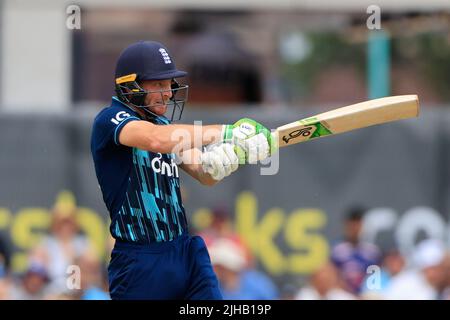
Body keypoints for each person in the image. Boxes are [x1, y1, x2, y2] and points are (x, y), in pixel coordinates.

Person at [90, 40, 274, 300]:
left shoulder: (164, 125)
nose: (168, 92)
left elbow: (204, 174)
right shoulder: (109, 120)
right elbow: (155, 139)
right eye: (158, 84)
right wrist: (228, 131)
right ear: (130, 85)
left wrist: (234, 154)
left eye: (169, 84)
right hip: (140, 260)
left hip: (185, 250)